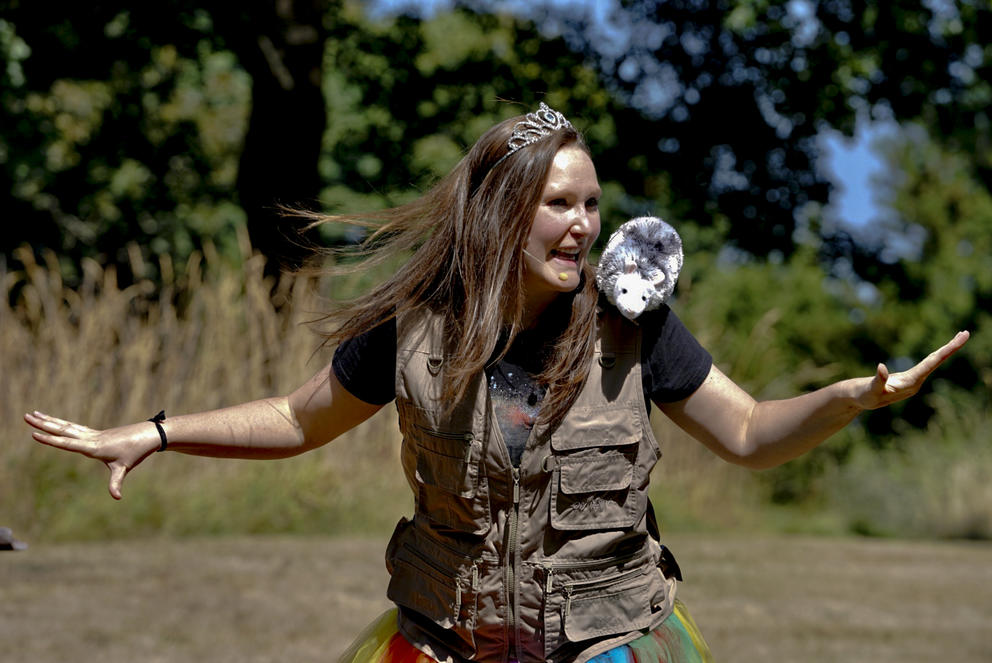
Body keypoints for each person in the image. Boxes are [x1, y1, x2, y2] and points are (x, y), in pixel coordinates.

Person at [25, 102, 969, 663]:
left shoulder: (631, 329)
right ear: (503, 213)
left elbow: (753, 432)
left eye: (592, 204)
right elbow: (294, 417)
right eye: (559, 203)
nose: (583, 226)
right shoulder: (415, 331)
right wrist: (152, 431)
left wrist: (851, 399)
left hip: (605, 644)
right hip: (447, 638)